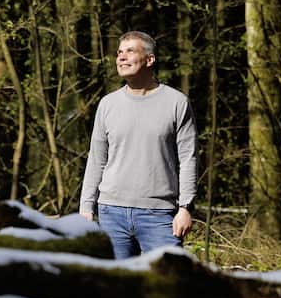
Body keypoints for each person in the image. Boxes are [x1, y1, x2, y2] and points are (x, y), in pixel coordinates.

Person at [79, 31, 198, 259]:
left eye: (130, 51)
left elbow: (188, 158)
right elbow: (97, 159)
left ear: (150, 59)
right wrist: (86, 208)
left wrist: (185, 208)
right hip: (110, 213)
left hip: (160, 214)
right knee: (116, 288)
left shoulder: (177, 103)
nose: (121, 58)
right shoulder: (107, 104)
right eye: (119, 53)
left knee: (169, 285)